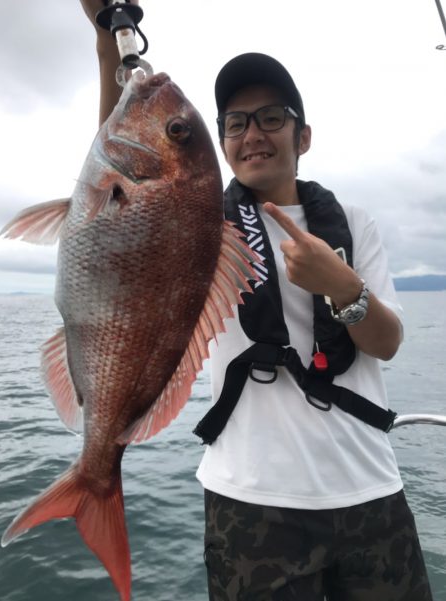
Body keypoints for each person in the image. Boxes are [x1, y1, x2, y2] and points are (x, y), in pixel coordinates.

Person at [81, 2, 432, 599]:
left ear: (305, 135)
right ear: (221, 143)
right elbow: (120, 170)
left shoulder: (353, 221)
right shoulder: (194, 224)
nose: (252, 134)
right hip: (249, 500)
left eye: (271, 117)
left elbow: (389, 344)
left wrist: (341, 285)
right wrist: (103, 39)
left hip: (368, 491)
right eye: (235, 123)